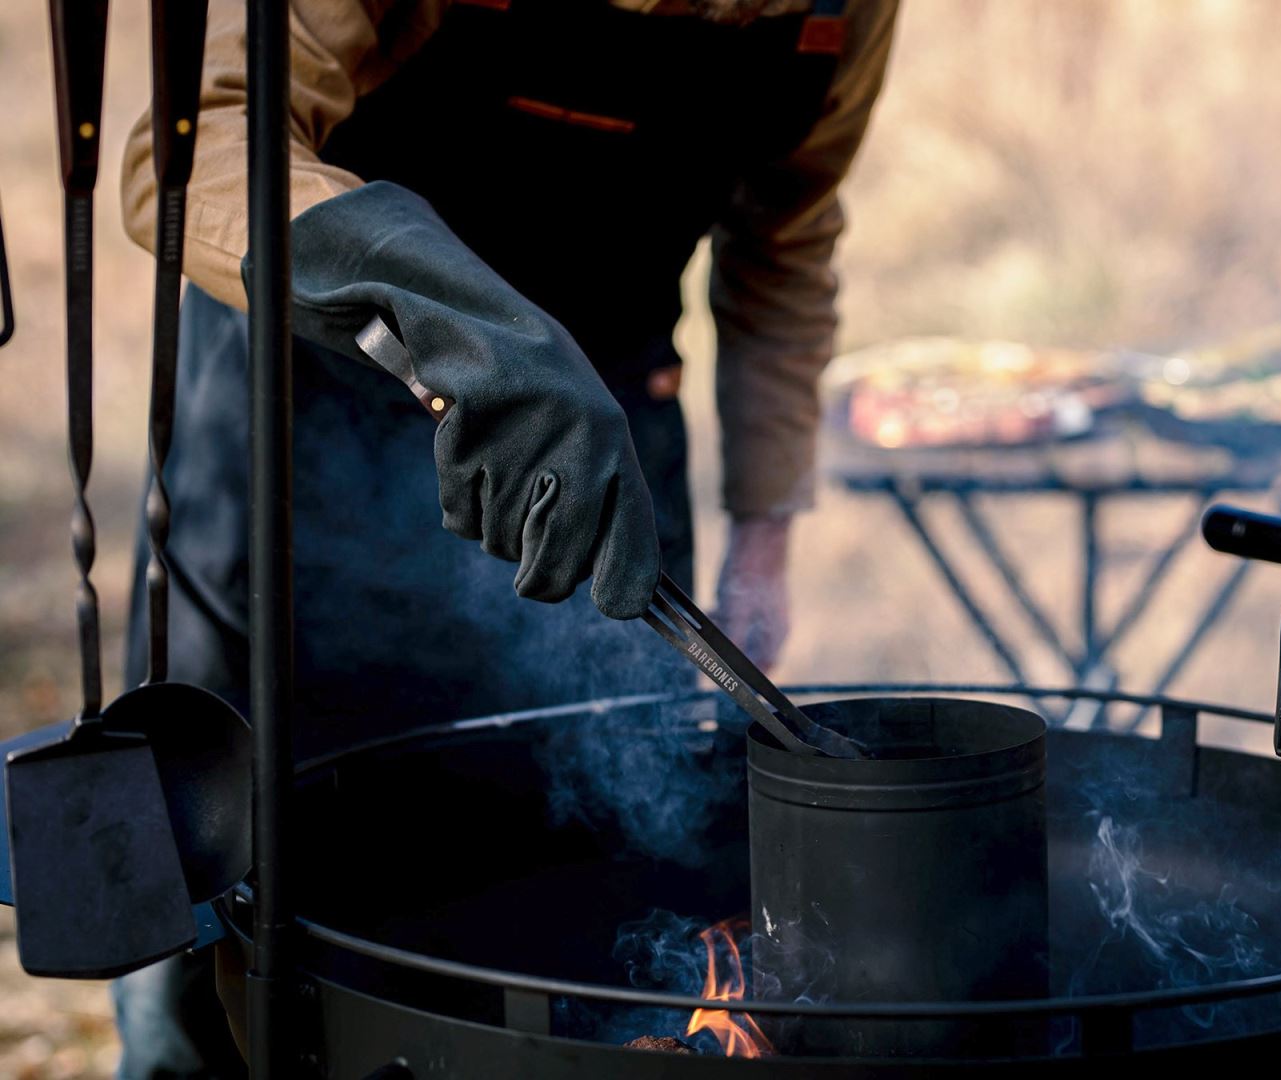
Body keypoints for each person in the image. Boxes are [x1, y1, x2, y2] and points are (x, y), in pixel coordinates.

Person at [110, 0, 897, 1074]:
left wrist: (763, 538)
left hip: (599, 469)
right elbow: (198, 153)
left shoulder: (841, 12)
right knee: (213, 953)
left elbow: (787, 235)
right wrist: (462, 326)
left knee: (591, 935)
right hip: (302, 445)